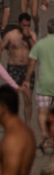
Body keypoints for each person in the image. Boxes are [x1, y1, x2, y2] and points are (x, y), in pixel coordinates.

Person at [27, 20, 54, 151]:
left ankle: (44, 133)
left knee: (42, 111)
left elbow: (32, 63)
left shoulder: (40, 44)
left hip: (44, 82)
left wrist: (27, 79)